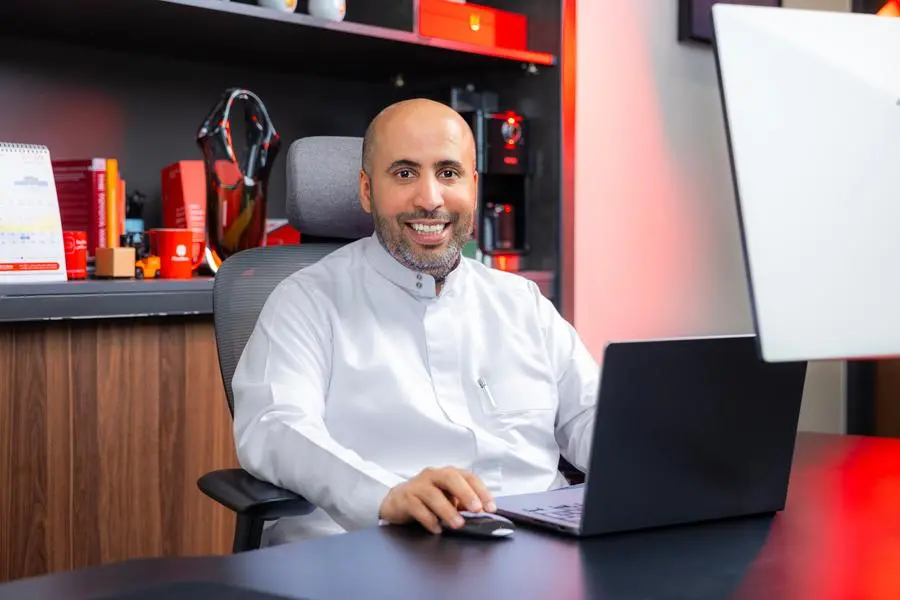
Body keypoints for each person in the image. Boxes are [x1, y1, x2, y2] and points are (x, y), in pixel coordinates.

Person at [231, 98, 600, 545]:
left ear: (473, 186)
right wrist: (385, 495)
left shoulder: (522, 302)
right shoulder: (306, 301)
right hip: (378, 549)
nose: (430, 199)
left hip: (540, 546)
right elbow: (274, 426)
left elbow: (591, 414)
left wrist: (656, 455)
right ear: (366, 190)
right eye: (405, 173)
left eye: (449, 173)